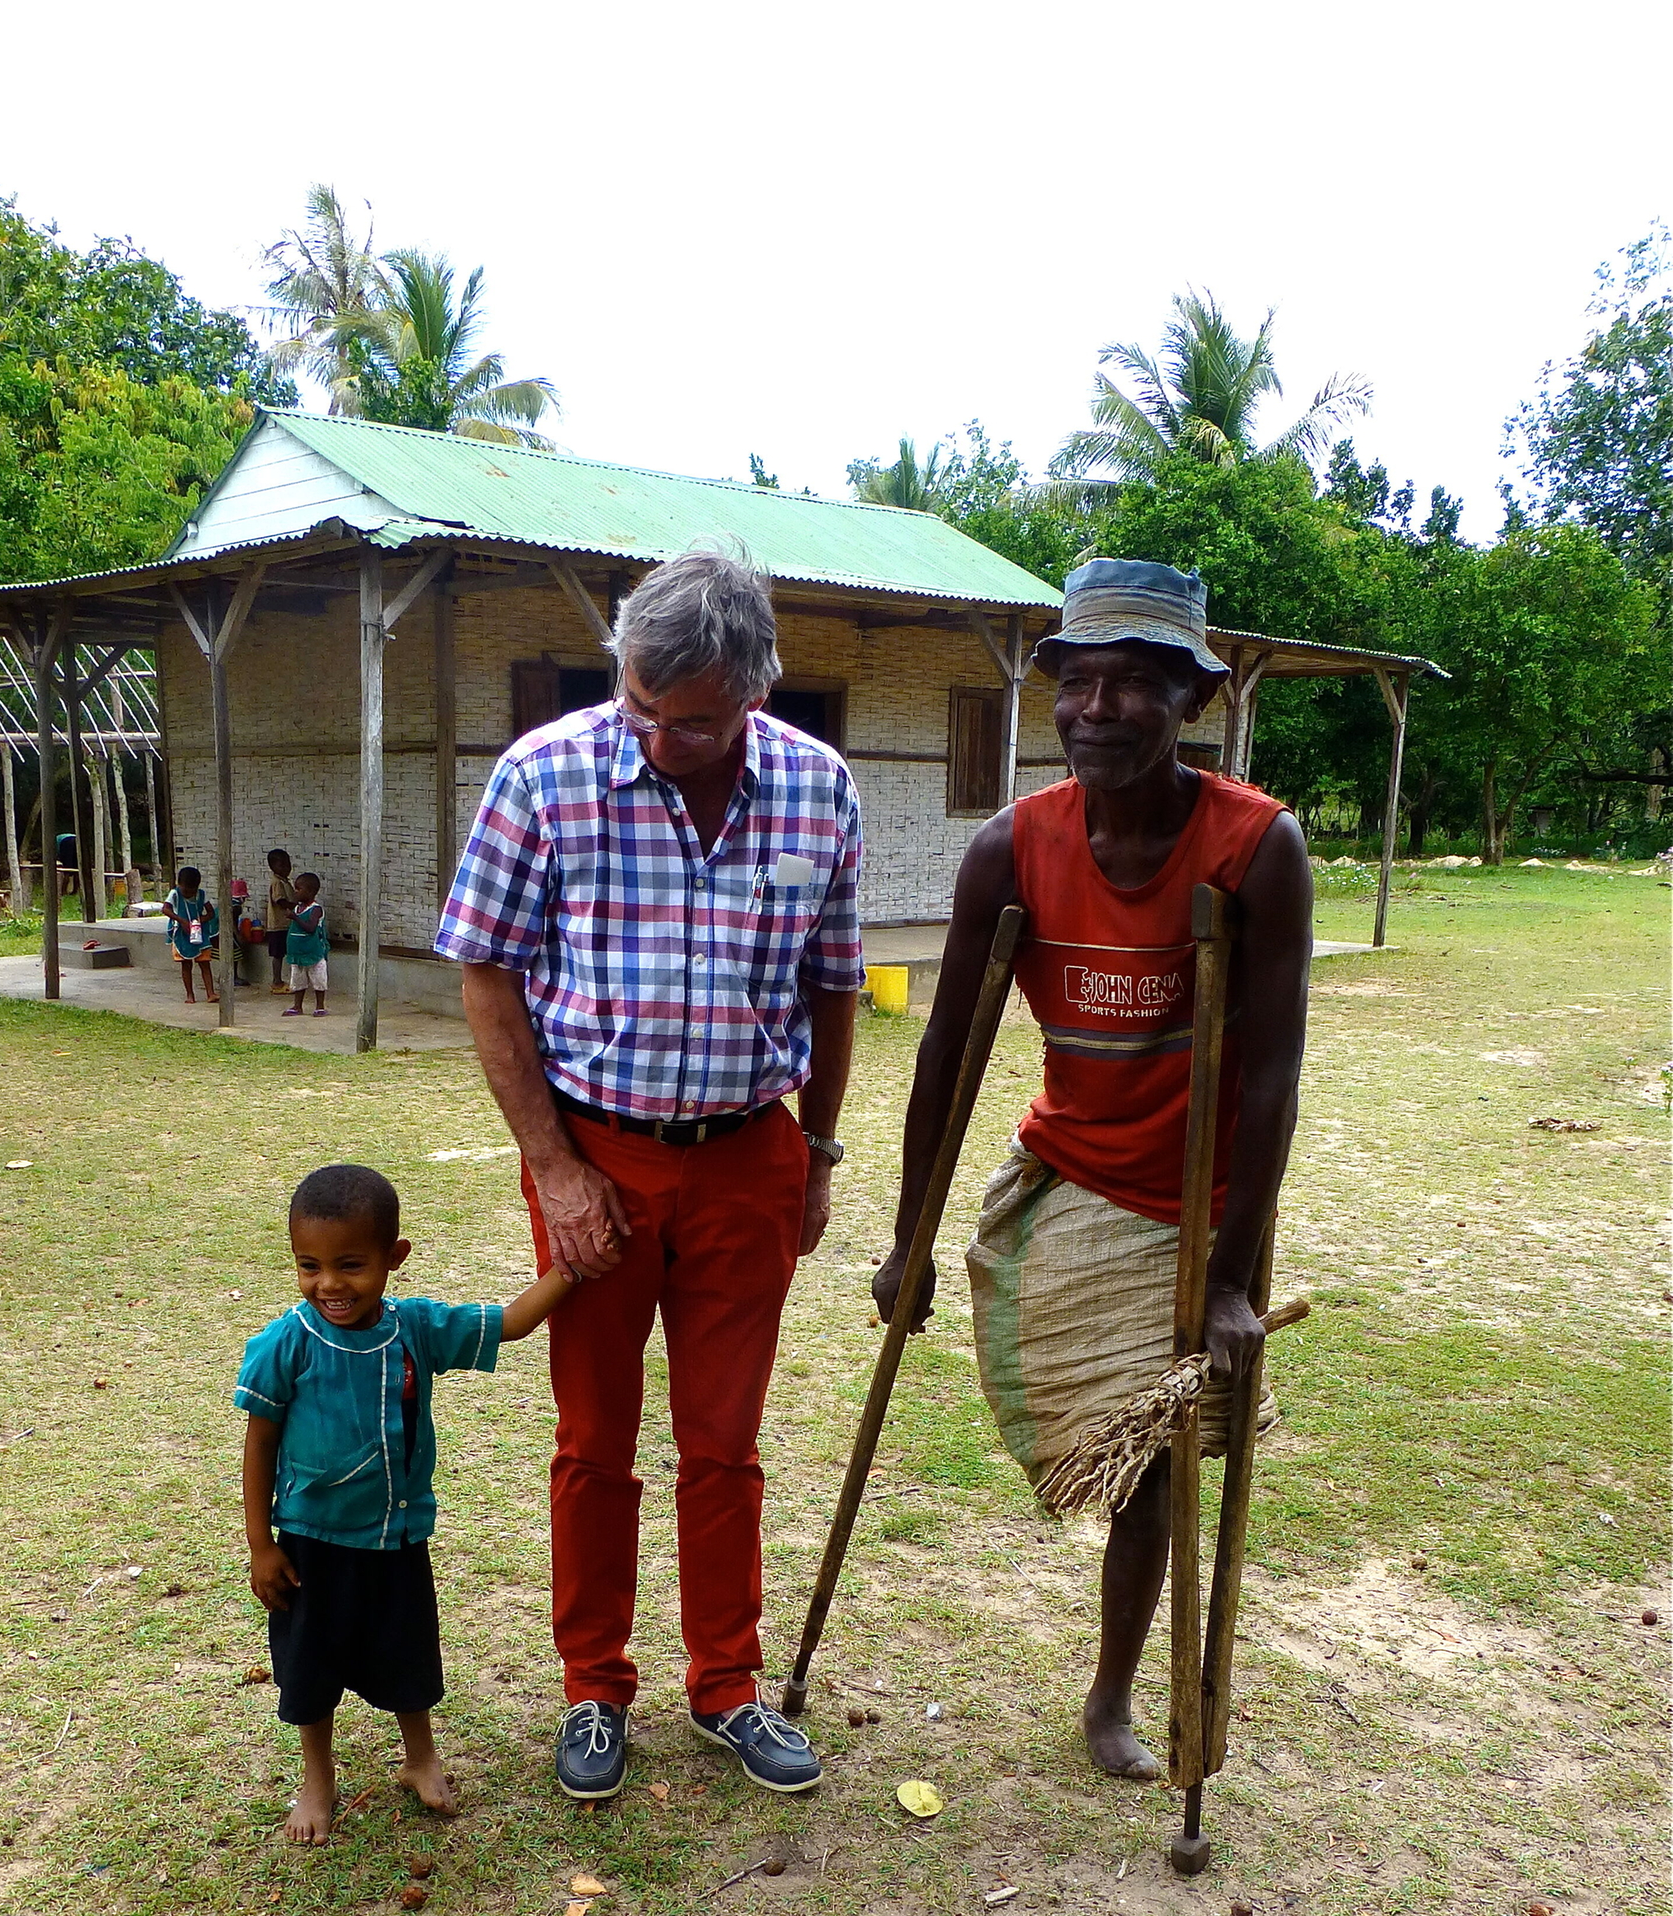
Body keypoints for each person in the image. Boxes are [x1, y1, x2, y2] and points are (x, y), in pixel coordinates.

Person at [436, 550, 863, 1804]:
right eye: (638, 704)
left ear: (753, 693)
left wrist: (820, 1150)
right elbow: (485, 975)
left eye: (688, 720)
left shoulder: (818, 791)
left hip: (748, 1156)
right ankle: (592, 1687)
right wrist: (553, 1168)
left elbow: (833, 984)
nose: (658, 735)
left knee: (723, 1444)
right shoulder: (544, 775)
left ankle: (725, 1686)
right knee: (593, 1439)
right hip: (597, 1160)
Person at [874, 559, 1312, 1781]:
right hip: (1071, 1175)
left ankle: (1114, 1693)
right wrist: (908, 1240)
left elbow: (1272, 1076)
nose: (1097, 708)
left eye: (1132, 684)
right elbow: (945, 1053)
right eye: (1079, 682)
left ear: (1188, 699)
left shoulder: (1255, 847)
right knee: (1123, 1436)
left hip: (1196, 1200)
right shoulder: (1009, 850)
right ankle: (1115, 1686)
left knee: (1166, 1449)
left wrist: (1229, 1275)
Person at [238, 1162, 578, 1843]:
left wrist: (570, 1267)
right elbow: (260, 1443)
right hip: (309, 1541)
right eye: (309, 1265)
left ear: (395, 1258)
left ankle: (418, 1756)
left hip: (395, 1539)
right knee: (309, 1668)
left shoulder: (415, 1328)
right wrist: (261, 1542)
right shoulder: (287, 1343)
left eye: (351, 1264)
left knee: (408, 1654)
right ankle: (318, 1779)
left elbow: (509, 1323)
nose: (329, 1284)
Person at [165, 864, 220, 1002]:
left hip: (199, 933)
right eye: (186, 891)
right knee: (186, 964)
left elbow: (211, 913)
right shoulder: (175, 894)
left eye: (192, 891)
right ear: (179, 885)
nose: (189, 894)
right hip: (182, 934)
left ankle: (210, 993)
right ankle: (190, 994)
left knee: (205, 963)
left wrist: (200, 920)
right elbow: (165, 909)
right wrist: (182, 921)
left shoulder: (201, 894)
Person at [282, 873, 329, 1016]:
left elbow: (311, 928)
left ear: (309, 892)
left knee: (318, 979)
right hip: (298, 953)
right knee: (298, 980)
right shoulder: (297, 908)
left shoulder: (315, 909)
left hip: (313, 952)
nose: (295, 892)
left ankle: (320, 1006)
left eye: (298, 889)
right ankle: (297, 1006)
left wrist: (294, 918)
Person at [265, 849, 297, 997]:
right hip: (278, 926)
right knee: (277, 955)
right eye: (281, 865)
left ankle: (285, 980)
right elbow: (280, 901)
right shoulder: (277, 882)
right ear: (273, 867)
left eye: (288, 864)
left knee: (284, 953)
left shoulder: (285, 882)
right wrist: (294, 907)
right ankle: (276, 982)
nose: (286, 868)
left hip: (286, 925)